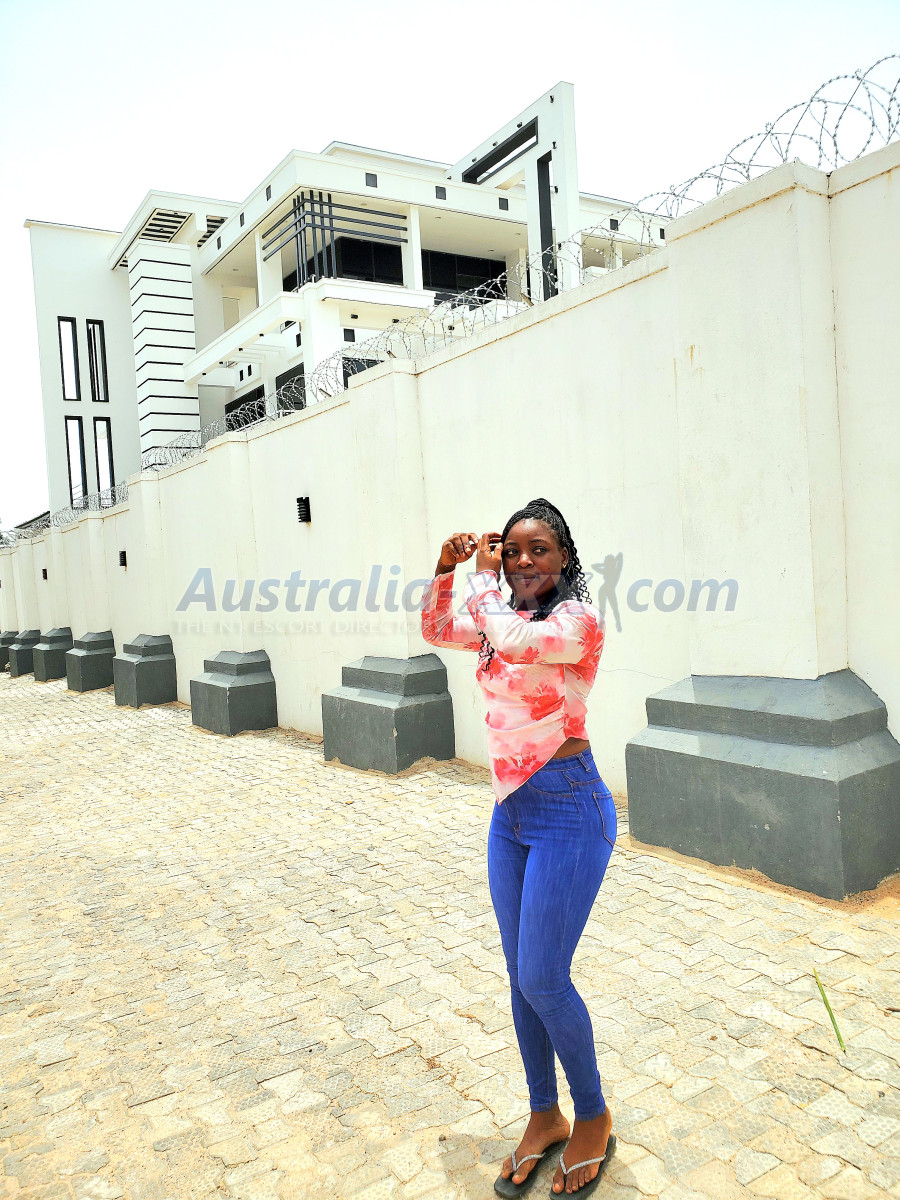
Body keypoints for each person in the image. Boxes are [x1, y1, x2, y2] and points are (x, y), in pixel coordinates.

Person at [420, 499, 617, 1198]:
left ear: (564, 558)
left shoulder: (576, 622)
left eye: (539, 549)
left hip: (570, 809)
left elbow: (513, 642)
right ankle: (544, 1114)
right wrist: (446, 569)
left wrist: (480, 581)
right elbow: (436, 628)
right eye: (511, 551)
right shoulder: (497, 616)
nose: (523, 561)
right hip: (511, 815)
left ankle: (592, 1116)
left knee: (544, 977)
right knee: (521, 977)